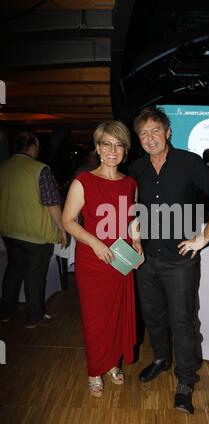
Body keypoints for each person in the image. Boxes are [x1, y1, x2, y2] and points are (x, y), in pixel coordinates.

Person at [129, 107, 209, 415]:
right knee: (153, 317)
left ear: (168, 132)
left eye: (155, 132)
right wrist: (134, 233)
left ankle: (186, 380)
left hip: (179, 262)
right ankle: (161, 359)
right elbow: (134, 205)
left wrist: (204, 238)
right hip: (146, 259)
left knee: (183, 322)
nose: (150, 139)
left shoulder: (189, 162)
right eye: (143, 134)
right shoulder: (137, 168)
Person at [62, 121, 143, 398]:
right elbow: (68, 221)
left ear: (125, 150)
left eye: (118, 144)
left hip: (120, 260)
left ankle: (113, 363)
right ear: (97, 148)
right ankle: (94, 370)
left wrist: (137, 242)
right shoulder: (83, 181)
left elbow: (133, 220)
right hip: (93, 261)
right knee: (96, 319)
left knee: (118, 316)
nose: (112, 150)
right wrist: (95, 241)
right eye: (106, 143)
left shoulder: (131, 183)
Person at [0, 132, 66, 327]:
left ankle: (4, 312)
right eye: (38, 146)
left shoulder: (2, 168)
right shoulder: (40, 169)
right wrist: (62, 228)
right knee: (34, 275)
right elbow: (52, 203)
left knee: (13, 271)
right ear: (32, 146)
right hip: (34, 233)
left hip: (9, 231)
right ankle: (34, 316)